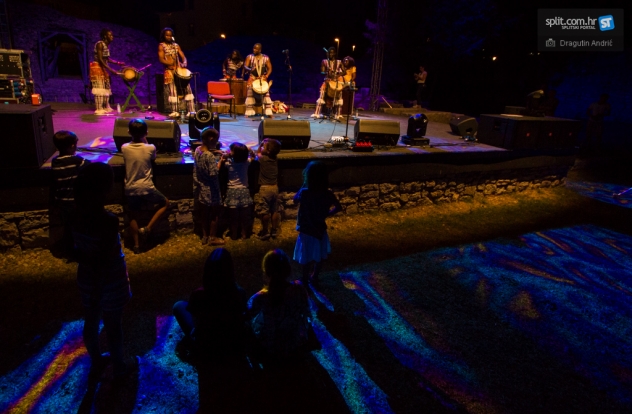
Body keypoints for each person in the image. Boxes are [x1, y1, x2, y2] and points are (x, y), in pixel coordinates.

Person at [73, 162, 132, 380]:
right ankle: (119, 368)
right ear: (105, 188)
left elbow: (69, 249)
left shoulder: (74, 215)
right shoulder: (108, 220)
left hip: (86, 277)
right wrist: (99, 287)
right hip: (110, 280)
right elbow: (105, 259)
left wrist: (86, 258)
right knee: (113, 325)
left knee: (91, 319)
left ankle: (97, 360)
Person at [173, 248, 248, 360]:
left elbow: (196, 322)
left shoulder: (198, 295)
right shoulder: (239, 293)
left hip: (206, 347)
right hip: (231, 346)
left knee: (178, 306)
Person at [247, 249, 310, 358]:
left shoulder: (260, 297)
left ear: (266, 272)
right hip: (294, 341)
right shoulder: (299, 289)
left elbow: (247, 315)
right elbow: (305, 311)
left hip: (270, 346)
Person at [121, 119, 170, 254]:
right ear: (146, 133)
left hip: (130, 188)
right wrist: (145, 139)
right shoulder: (151, 147)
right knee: (165, 203)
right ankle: (147, 229)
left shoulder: (124, 148)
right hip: (147, 187)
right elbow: (152, 158)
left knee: (133, 215)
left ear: (128, 132)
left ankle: (137, 245)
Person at [293, 161, 342, 284]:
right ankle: (315, 276)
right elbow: (338, 207)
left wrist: (304, 184)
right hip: (320, 229)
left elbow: (295, 200)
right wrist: (326, 214)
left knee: (306, 255)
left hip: (307, 229)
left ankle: (305, 278)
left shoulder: (305, 192)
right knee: (319, 254)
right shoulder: (328, 194)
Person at [50, 130, 89, 258]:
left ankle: (68, 249)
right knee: (80, 226)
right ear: (72, 146)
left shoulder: (55, 161)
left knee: (67, 226)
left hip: (61, 202)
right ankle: (81, 249)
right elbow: (89, 165)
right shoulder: (78, 161)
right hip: (75, 202)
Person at [193, 127, 225, 245]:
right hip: (212, 190)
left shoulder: (197, 150)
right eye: (216, 139)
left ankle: (205, 236)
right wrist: (220, 161)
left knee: (204, 214)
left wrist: (215, 151)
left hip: (202, 188)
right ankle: (212, 237)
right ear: (211, 139)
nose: (217, 141)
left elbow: (205, 154)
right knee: (214, 214)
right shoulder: (210, 157)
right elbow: (214, 173)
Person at [219, 142, 254, 240]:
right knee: (244, 216)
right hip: (244, 190)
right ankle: (244, 234)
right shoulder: (246, 163)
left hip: (232, 191)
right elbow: (253, 156)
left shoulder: (229, 163)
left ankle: (234, 234)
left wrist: (225, 156)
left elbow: (223, 159)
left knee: (233, 217)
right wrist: (249, 150)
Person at [158, 27, 195, 118]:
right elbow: (161, 59)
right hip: (169, 71)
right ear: (163, 36)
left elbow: (183, 56)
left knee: (187, 88)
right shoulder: (161, 46)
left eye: (170, 35)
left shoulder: (176, 45)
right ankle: (175, 111)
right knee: (173, 91)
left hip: (179, 70)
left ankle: (191, 111)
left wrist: (184, 62)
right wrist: (169, 63)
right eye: (167, 35)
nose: (169, 37)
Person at [90, 28, 125, 115]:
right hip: (97, 67)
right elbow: (100, 59)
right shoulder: (100, 44)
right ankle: (99, 108)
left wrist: (118, 63)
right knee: (100, 87)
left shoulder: (106, 45)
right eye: (110, 35)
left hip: (103, 67)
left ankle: (106, 106)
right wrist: (111, 70)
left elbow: (107, 59)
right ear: (105, 36)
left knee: (106, 87)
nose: (112, 36)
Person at [254, 138, 282, 241]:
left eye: (264, 147)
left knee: (264, 211)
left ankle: (265, 231)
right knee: (274, 210)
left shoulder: (263, 159)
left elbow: (258, 153)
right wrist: (265, 146)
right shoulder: (275, 159)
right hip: (275, 187)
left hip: (265, 188)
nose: (262, 147)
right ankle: (274, 230)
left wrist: (260, 144)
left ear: (268, 151)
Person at [312, 47, 344, 120]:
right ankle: (317, 113)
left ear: (335, 53)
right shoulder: (324, 61)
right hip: (327, 81)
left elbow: (344, 71)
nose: (330, 54)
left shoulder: (339, 62)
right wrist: (327, 72)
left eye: (332, 53)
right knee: (322, 95)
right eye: (329, 53)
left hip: (336, 82)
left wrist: (337, 75)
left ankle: (338, 114)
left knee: (339, 97)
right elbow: (322, 71)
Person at [244, 43, 273, 117]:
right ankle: (249, 112)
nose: (254, 50)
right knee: (250, 94)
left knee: (266, 95)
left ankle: (268, 112)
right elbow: (245, 66)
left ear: (260, 50)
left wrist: (267, 75)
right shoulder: (249, 57)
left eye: (256, 49)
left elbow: (270, 68)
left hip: (262, 78)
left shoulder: (265, 58)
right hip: (253, 77)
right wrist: (250, 69)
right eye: (253, 48)